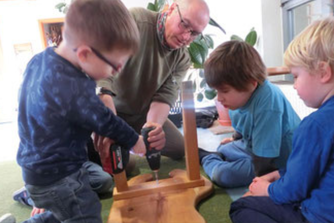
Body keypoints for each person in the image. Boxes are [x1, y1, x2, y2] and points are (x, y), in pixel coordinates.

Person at [15, 0, 146, 223]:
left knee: (66, 210)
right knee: (84, 212)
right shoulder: (74, 85)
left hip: (34, 170)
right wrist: (135, 141)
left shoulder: (38, 61)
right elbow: (105, 120)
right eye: (115, 65)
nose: (117, 71)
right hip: (59, 175)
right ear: (85, 54)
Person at [229, 17, 334, 223]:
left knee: (242, 206)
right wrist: (279, 173)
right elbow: (313, 168)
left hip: (316, 216)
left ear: (323, 72)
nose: (294, 85)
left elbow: (293, 191)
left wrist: (266, 188)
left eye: (295, 76)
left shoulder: (315, 124)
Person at [95, 0, 210, 171]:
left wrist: (153, 128)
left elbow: (164, 98)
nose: (186, 37)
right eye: (184, 24)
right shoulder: (135, 21)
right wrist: (111, 124)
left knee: (179, 148)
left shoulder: (183, 59)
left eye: (194, 33)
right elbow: (102, 74)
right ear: (171, 9)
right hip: (112, 110)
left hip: (141, 114)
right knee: (124, 165)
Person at [199, 40, 301, 188]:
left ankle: (208, 159)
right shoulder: (238, 98)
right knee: (223, 148)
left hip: (277, 160)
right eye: (217, 91)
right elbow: (242, 126)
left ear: (251, 84)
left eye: (224, 91)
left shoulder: (268, 102)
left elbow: (264, 163)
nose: (219, 98)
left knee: (222, 175)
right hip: (253, 148)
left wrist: (261, 186)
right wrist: (235, 138)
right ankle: (219, 156)